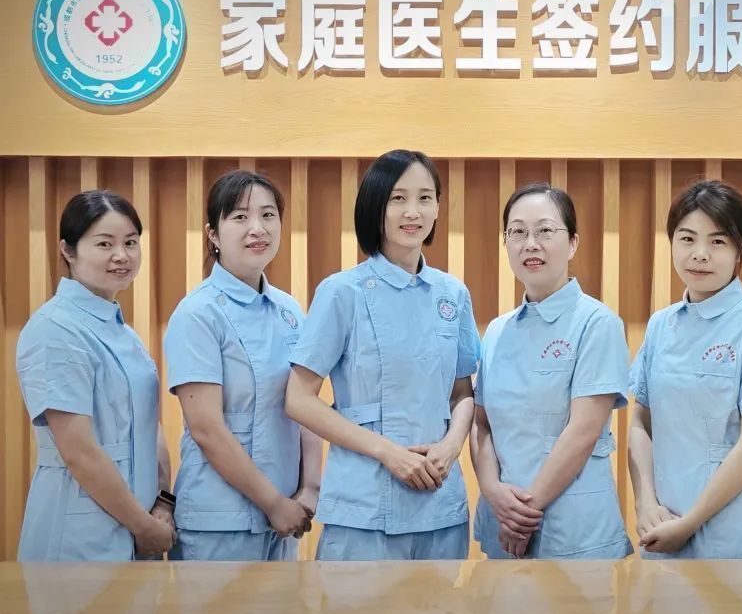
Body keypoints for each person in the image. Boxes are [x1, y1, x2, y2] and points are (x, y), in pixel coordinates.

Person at [287, 150, 479, 560]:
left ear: (438, 207)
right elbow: (298, 400)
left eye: (425, 198)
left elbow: (463, 392)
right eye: (398, 198)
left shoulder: (452, 294)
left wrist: (451, 445)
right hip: (364, 504)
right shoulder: (342, 292)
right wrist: (388, 453)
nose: (413, 211)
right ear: (375, 206)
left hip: (439, 502)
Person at [629, 180, 742, 559]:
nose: (700, 254)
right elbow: (641, 423)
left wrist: (690, 523)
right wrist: (645, 503)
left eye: (718, 241)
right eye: (687, 239)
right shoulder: (661, 326)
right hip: (665, 522)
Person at [471, 183, 632, 559]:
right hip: (503, 518)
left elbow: (583, 432)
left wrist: (523, 514)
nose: (531, 244)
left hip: (572, 527)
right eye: (518, 232)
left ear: (572, 243)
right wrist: (492, 489)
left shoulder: (597, 323)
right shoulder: (497, 331)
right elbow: (482, 424)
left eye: (545, 230)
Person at [165, 170, 320, 560]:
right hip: (219, 520)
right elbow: (206, 429)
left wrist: (310, 488)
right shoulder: (197, 313)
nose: (257, 228)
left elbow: (307, 408)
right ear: (213, 234)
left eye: (268, 215)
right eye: (239, 217)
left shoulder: (289, 310)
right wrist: (272, 503)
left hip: (287, 514)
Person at [17, 190, 175, 560]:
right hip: (79, 533)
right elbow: (79, 451)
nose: (121, 255)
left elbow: (149, 425)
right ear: (68, 251)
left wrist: (163, 500)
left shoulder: (123, 332)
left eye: (130, 242)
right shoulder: (55, 328)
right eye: (104, 243)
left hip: (141, 522)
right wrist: (143, 526)